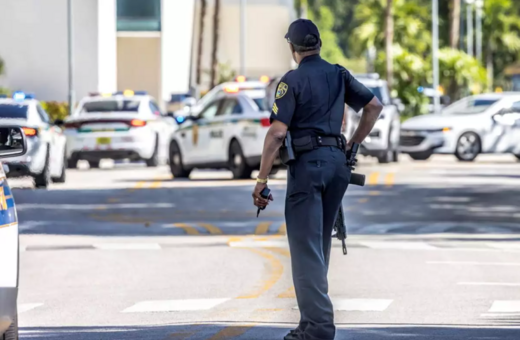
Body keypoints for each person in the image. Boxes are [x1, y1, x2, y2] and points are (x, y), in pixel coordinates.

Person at [252, 19, 383, 340]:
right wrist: (352, 144)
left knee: (304, 245)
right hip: (338, 164)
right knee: (318, 243)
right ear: (319, 44)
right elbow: (373, 106)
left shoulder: (292, 81)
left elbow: (278, 132)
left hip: (308, 167)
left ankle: (319, 326)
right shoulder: (339, 74)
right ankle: (310, 322)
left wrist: (261, 179)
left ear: (292, 48)